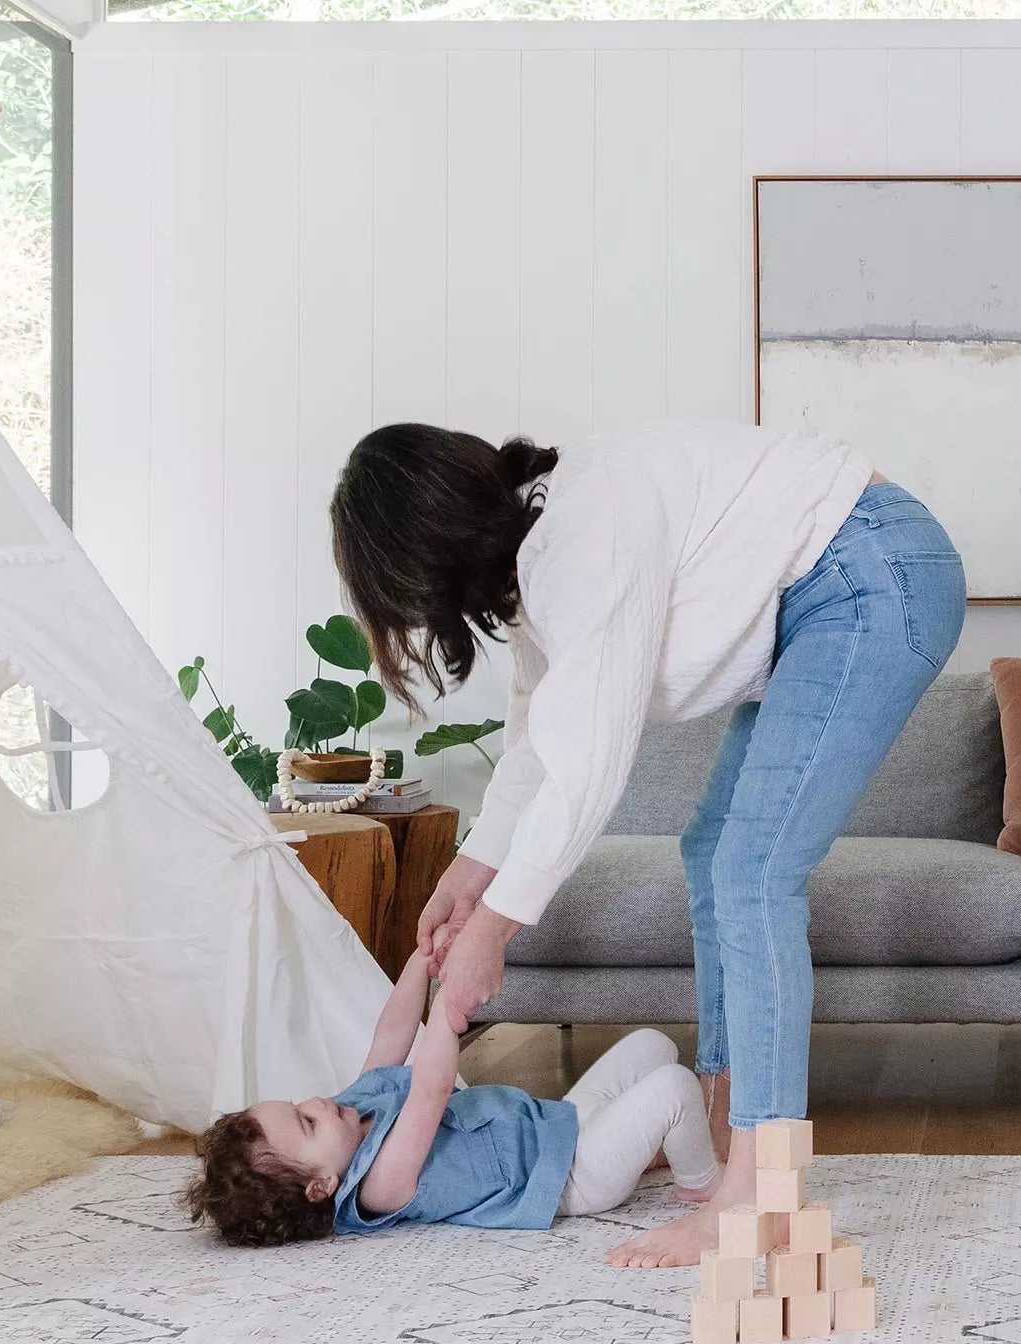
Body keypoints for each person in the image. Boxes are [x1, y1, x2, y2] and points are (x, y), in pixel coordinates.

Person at [329, 420, 966, 1267]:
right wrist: (470, 873)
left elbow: (591, 764)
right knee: (715, 851)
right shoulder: (540, 559)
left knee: (754, 872)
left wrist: (495, 932)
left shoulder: (584, 538)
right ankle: (730, 1126)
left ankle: (760, 1197)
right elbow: (537, 745)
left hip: (867, 572)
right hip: (826, 588)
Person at [183, 950, 717, 1248]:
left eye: (301, 1102)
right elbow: (431, 1092)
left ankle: (657, 1152)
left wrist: (421, 962)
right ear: (322, 1187)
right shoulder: (379, 1188)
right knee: (673, 1088)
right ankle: (705, 1189)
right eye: (306, 1122)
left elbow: (389, 1038)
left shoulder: (354, 1114)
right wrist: (452, 1003)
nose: (318, 1103)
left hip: (561, 1124)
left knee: (655, 1044)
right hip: (568, 1178)